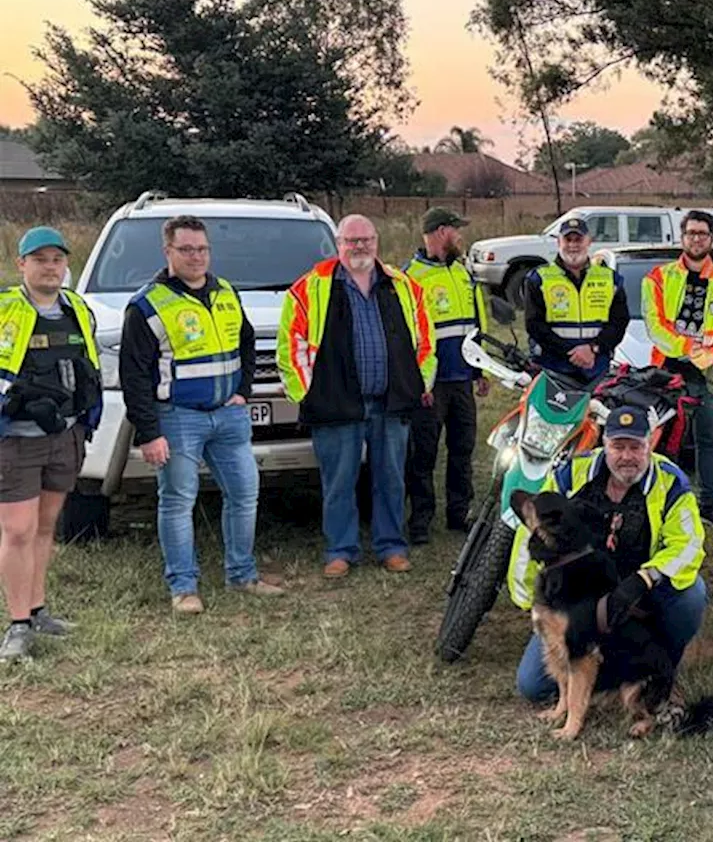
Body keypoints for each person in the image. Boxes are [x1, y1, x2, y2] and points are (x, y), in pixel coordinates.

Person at [121, 215, 283, 613]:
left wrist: (243, 392)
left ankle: (242, 576)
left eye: (202, 248)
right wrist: (149, 432)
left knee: (245, 493)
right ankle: (183, 588)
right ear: (168, 252)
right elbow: (134, 375)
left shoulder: (225, 291)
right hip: (178, 418)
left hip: (228, 417)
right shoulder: (147, 305)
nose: (196, 256)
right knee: (177, 501)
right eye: (187, 249)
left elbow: (247, 343)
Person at [509, 405, 707, 703]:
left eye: (636, 446)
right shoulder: (570, 474)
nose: (627, 456)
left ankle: (659, 671)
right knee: (533, 687)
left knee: (692, 594)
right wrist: (531, 604)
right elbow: (531, 533)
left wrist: (645, 578)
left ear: (650, 444)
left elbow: (688, 545)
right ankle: (598, 672)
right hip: (579, 596)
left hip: (640, 593)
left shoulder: (671, 482)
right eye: (618, 446)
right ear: (604, 443)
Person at [278, 214, 436, 578]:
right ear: (338, 245)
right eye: (351, 241)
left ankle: (391, 546)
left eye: (365, 240)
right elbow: (291, 346)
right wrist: (306, 393)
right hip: (335, 404)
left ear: (376, 242)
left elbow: (425, 342)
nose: (359, 247)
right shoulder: (309, 288)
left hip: (391, 401)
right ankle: (340, 550)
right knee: (338, 482)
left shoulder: (404, 285)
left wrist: (419, 384)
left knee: (392, 478)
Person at [0, 227, 101, 661]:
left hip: (66, 435)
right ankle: (17, 624)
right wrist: (20, 401)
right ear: (21, 264)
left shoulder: (78, 308)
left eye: (57, 259)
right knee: (17, 531)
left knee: (45, 526)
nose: (50, 267)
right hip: (17, 440)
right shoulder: (5, 309)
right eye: (39, 259)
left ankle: (37, 609)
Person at [641, 210, 713, 530]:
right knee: (666, 441)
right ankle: (660, 503)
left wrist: (712, 355)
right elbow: (655, 326)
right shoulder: (657, 278)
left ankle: (709, 505)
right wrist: (689, 349)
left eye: (702, 233)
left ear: (712, 239)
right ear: (681, 237)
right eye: (691, 233)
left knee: (709, 441)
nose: (696, 239)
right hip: (670, 373)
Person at [403, 207, 489, 543]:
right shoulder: (413, 278)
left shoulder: (462, 271)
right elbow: (408, 336)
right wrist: (418, 382)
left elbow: (476, 322)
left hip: (462, 379)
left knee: (462, 448)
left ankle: (459, 513)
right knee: (423, 454)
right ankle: (420, 520)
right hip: (431, 384)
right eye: (456, 230)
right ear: (441, 232)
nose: (460, 236)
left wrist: (480, 370)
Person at [524, 217, 629, 383]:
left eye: (578, 239)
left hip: (597, 368)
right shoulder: (539, 278)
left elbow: (619, 321)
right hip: (553, 367)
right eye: (568, 239)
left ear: (589, 242)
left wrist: (593, 348)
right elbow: (534, 324)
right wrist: (572, 353)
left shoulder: (610, 278)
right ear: (559, 242)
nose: (573, 245)